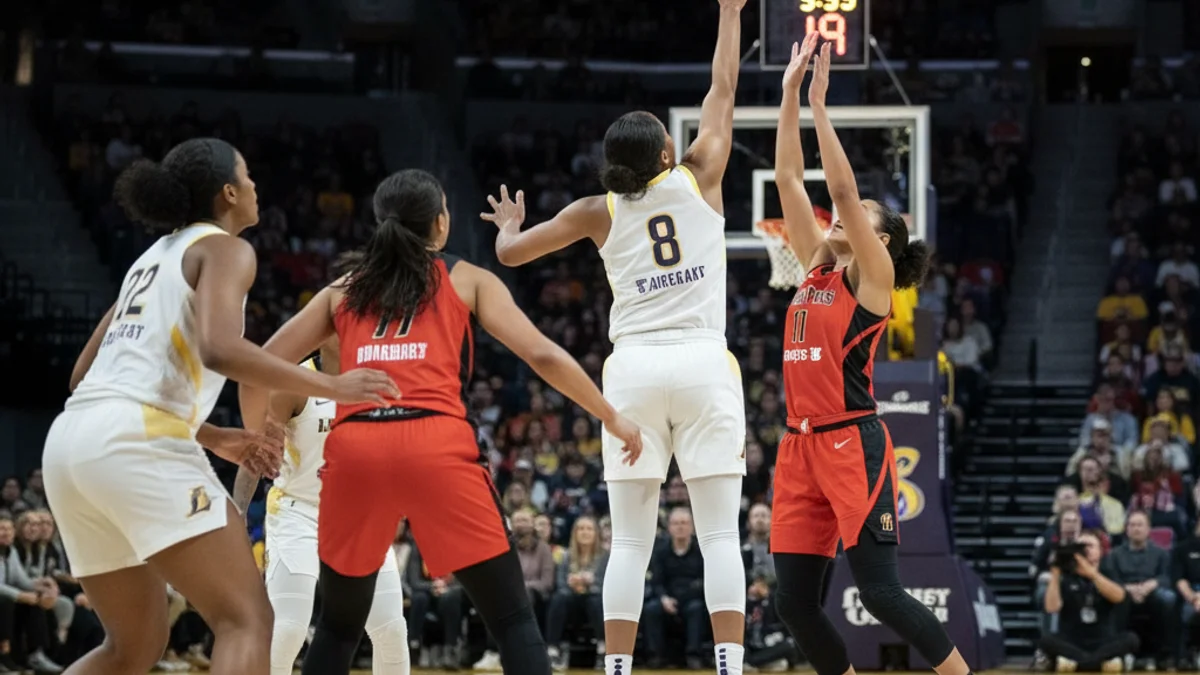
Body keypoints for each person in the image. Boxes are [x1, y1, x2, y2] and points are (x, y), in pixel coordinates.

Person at [237, 168, 643, 675]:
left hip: (357, 451)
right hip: (436, 444)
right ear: (441, 224)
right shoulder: (467, 278)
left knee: (339, 629)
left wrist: (262, 438)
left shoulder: (342, 291)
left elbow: (257, 365)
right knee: (514, 620)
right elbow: (542, 354)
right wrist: (612, 417)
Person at [39, 138, 398, 675]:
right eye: (248, 176)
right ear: (228, 192)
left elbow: (81, 378)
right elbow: (219, 349)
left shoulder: (150, 259)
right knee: (248, 620)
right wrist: (337, 387)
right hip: (136, 443)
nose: (256, 186)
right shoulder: (227, 249)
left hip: (70, 446)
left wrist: (211, 434)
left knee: (132, 645)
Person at [481, 2, 750, 673]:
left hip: (631, 370)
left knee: (628, 542)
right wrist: (727, 11)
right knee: (720, 534)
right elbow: (723, 86)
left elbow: (510, 258)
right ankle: (728, 666)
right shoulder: (700, 173)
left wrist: (508, 228)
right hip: (701, 360)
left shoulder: (595, 211)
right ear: (666, 152)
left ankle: (617, 669)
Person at [767, 37, 973, 675]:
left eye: (857, 219)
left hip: (851, 443)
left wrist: (822, 107)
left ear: (879, 239)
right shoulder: (815, 268)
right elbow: (785, 179)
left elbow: (845, 195)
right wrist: (787, 100)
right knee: (793, 604)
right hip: (799, 448)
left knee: (880, 593)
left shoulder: (871, 280)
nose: (836, 219)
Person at [232, 342, 410, 675]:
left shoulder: (380, 382)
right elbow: (256, 453)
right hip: (298, 510)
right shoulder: (294, 384)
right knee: (288, 629)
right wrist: (238, 515)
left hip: (358, 517)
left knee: (391, 629)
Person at [1041, 530, 1139, 671]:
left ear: (1100, 551)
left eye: (1090, 546)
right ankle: (1101, 663)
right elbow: (1051, 608)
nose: (1085, 549)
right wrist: (1055, 573)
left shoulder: (1108, 572)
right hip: (1072, 640)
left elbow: (1120, 597)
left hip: (1103, 640)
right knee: (1046, 640)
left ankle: (1077, 663)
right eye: (1081, 546)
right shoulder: (1067, 576)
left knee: (1131, 639)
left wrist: (1092, 574)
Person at [1106, 511, 1177, 669]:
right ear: (1126, 529)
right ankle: (1117, 653)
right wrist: (1128, 588)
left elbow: (1167, 577)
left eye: (1140, 525)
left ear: (1148, 529)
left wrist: (1152, 584)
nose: (1136, 529)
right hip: (1125, 592)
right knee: (1117, 597)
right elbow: (1111, 579)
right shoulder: (1114, 554)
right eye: (1132, 525)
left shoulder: (1161, 553)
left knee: (1166, 599)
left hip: (1151, 592)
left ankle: (1165, 655)